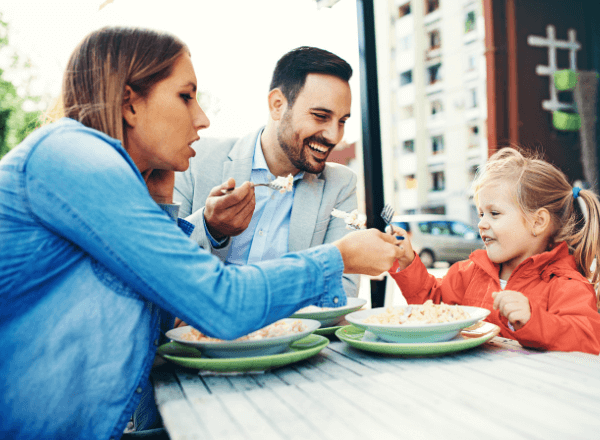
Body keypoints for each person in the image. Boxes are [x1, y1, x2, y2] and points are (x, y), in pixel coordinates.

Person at [0, 27, 404, 440]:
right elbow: (220, 303)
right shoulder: (74, 157)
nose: (202, 118)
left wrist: (160, 205)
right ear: (128, 101)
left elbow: (158, 321)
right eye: (185, 96)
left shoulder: (99, 166)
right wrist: (339, 256)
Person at [174, 46, 360, 297]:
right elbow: (159, 267)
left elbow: (343, 291)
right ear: (277, 105)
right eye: (320, 116)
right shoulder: (196, 160)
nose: (334, 135)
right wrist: (209, 228)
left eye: (342, 121)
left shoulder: (341, 185)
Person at [388, 147, 600, 354]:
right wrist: (408, 262)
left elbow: (586, 340)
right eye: (481, 213)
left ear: (538, 222)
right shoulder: (469, 272)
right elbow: (432, 307)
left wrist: (533, 319)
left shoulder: (565, 284)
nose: (481, 224)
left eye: (494, 213)